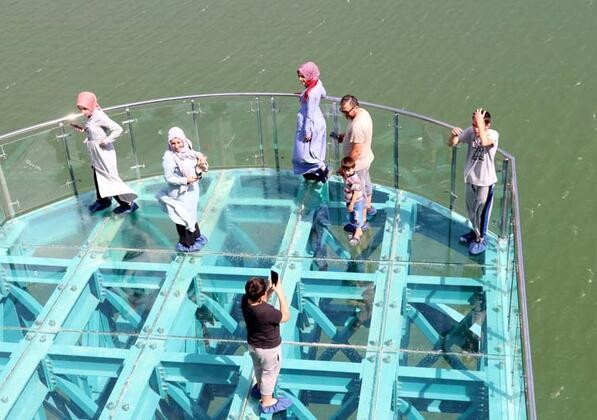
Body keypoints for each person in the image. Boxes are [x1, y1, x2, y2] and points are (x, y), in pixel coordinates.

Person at [75, 91, 138, 214]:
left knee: (108, 178)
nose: (83, 112)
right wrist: (84, 129)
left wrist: (107, 140)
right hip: (96, 153)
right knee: (98, 176)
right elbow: (95, 129)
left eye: (85, 108)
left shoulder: (99, 116)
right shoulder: (91, 116)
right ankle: (103, 201)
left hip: (103, 153)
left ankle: (128, 204)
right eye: (81, 109)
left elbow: (118, 129)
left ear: (91, 105)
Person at [448, 108, 499, 255]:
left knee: (482, 212)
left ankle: (481, 238)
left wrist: (480, 125)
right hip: (471, 179)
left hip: (486, 181)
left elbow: (484, 142)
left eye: (478, 125)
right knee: (471, 211)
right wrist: (452, 135)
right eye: (473, 124)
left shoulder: (493, 135)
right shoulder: (471, 131)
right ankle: (474, 232)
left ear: (487, 125)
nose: (475, 128)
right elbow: (452, 143)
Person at [241, 276, 292, 414]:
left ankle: (259, 389)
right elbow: (286, 316)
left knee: (258, 367)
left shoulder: (245, 301)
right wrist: (280, 292)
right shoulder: (267, 312)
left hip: (253, 345)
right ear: (261, 295)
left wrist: (268, 291)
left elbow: (261, 301)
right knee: (269, 373)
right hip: (269, 349)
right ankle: (267, 401)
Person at [157, 127, 209, 253]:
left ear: (183, 140)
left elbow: (194, 160)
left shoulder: (189, 151)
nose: (176, 146)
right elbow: (169, 178)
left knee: (191, 215)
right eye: (173, 143)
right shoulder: (168, 157)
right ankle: (187, 243)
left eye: (179, 142)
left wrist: (200, 166)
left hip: (192, 190)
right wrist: (185, 180)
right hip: (179, 194)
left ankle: (196, 237)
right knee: (182, 218)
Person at [336, 95, 376, 233]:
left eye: (347, 111)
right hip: (366, 159)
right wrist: (346, 136)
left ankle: (361, 223)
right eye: (342, 110)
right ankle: (370, 209)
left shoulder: (357, 126)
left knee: (359, 193)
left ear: (356, 107)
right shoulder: (363, 113)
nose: (345, 114)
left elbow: (357, 151)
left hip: (357, 165)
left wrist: (344, 168)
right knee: (366, 185)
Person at [292, 61, 329, 183]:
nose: (300, 79)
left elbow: (309, 114)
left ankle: (321, 170)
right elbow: (323, 94)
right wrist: (304, 95)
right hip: (318, 122)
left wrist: (307, 132)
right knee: (314, 149)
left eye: (303, 76)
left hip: (310, 125)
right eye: (299, 76)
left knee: (302, 154)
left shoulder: (312, 93)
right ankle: (316, 173)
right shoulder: (317, 83)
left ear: (309, 75)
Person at [338, 157, 367, 247]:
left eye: (348, 170)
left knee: (357, 216)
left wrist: (351, 204)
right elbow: (345, 175)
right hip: (349, 200)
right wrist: (341, 172)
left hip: (356, 201)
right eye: (345, 170)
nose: (346, 172)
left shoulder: (355, 180)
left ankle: (358, 232)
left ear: (353, 168)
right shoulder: (348, 175)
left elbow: (356, 193)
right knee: (352, 216)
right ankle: (354, 227)